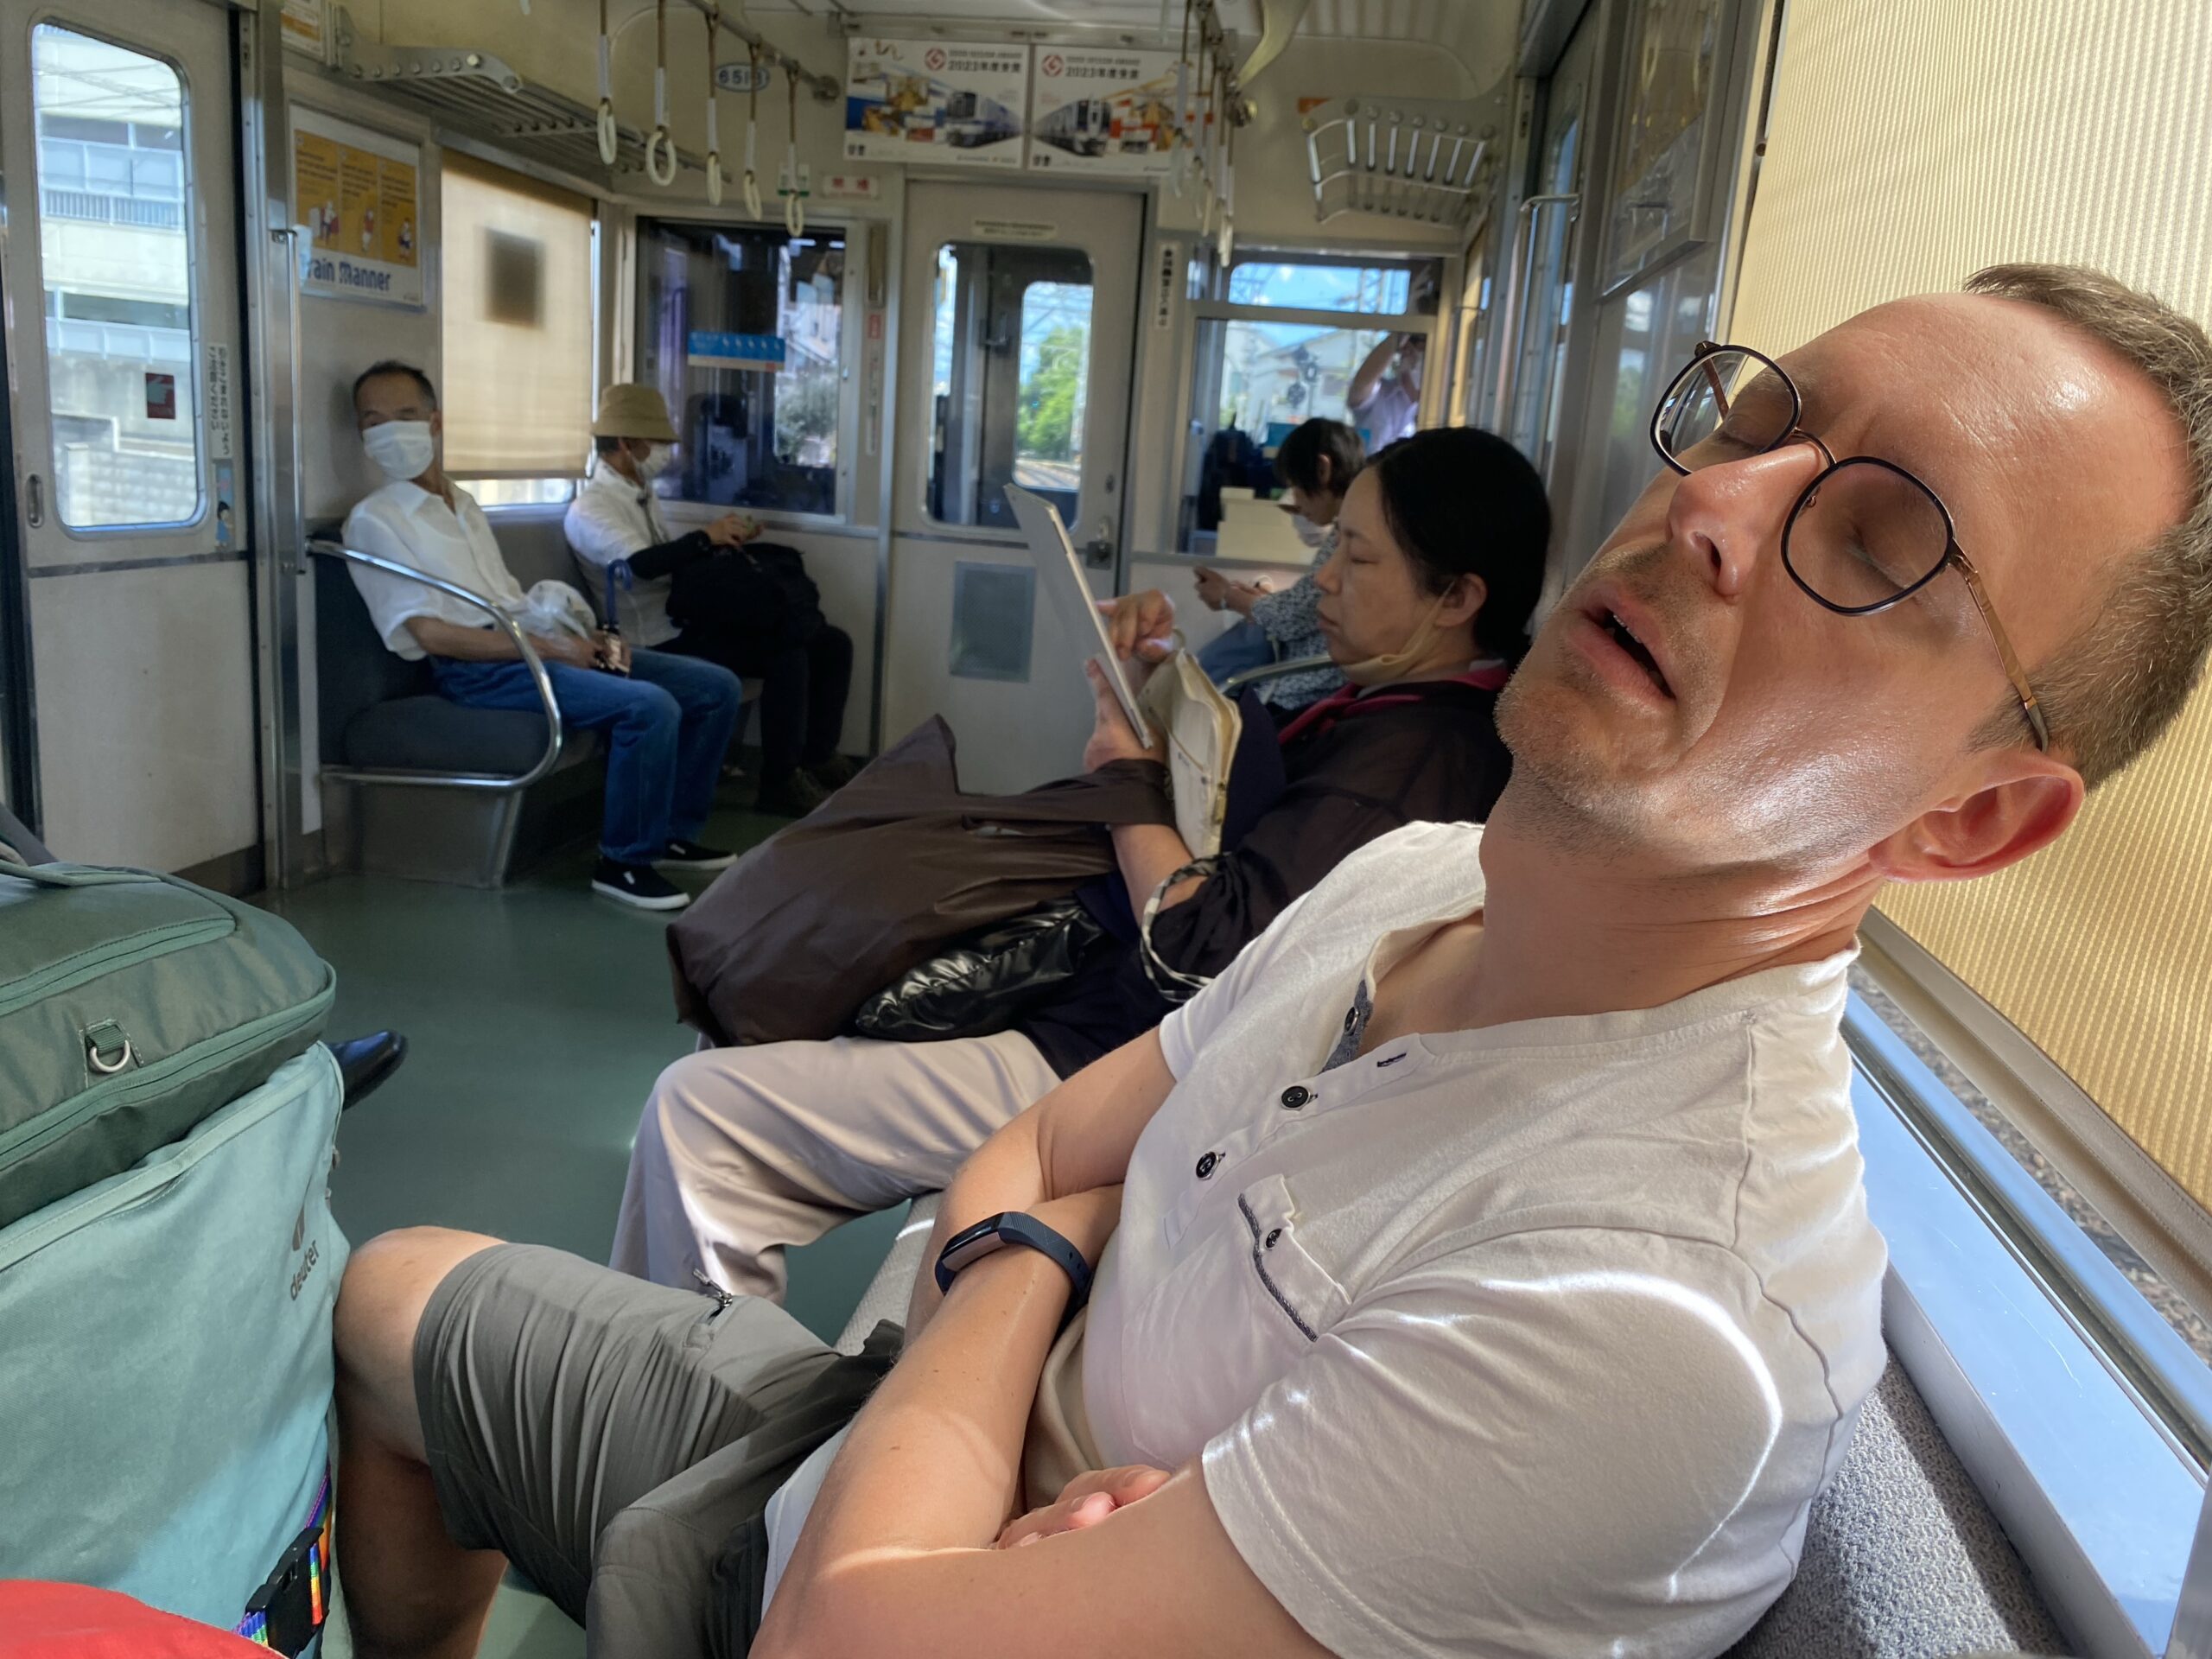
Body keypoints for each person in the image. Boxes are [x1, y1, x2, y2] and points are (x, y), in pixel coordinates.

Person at [331, 264, 2212, 1659]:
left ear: (1969, 822)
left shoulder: (1658, 1318)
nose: (1712, 507)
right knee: (387, 1296)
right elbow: (1038, 1159)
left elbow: (852, 1631)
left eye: (1874, 542)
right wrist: (1032, 1257)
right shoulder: (1414, 875)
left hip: (844, 1554)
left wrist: (1023, 1253)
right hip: (875, 1439)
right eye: (1752, 422)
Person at [610, 425, 1549, 1300]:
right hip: (1088, 1000)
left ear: (1457, 598)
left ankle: (686, 1387)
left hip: (1110, 1059)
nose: (1326, 581)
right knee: (755, 1012)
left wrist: (1130, 781)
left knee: (701, 1111)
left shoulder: (1415, 763)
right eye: (1332, 547)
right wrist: (1154, 690)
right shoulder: (1381, 708)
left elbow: (1204, 950)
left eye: (1358, 557)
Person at [341, 362, 742, 912]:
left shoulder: (462, 503)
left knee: (714, 688)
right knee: (648, 707)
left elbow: (509, 599)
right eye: (374, 421)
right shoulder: (374, 521)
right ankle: (623, 863)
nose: (389, 430)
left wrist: (582, 635)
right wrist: (554, 649)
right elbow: (432, 635)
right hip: (478, 669)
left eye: (404, 415)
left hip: (528, 641)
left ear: (435, 422)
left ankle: (670, 832)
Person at [564, 384, 856, 818]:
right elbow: (641, 565)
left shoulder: (642, 495)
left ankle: (817, 755)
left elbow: (672, 558)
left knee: (830, 643)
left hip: (685, 620)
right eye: (656, 441)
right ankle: (779, 781)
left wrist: (720, 539)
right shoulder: (591, 508)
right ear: (626, 443)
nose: (665, 451)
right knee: (786, 654)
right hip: (649, 638)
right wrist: (705, 538)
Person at [1193, 416, 1364, 716]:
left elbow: (1291, 618)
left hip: (1301, 694)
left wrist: (1228, 597)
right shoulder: (1350, 531)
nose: (1295, 500)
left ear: (1322, 470)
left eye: (1297, 486)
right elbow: (1304, 607)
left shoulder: (1346, 536)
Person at [1349, 330, 1425, 447]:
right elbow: (1361, 386)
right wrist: (1398, 336)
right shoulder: (1380, 393)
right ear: (1406, 349)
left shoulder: (1440, 410)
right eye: (1423, 351)